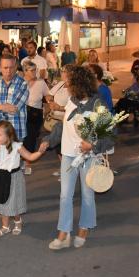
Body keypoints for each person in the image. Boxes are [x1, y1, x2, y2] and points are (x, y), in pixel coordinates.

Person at [40, 66, 114, 250]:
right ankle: (63, 233)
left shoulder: (98, 104)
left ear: (80, 84)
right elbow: (63, 125)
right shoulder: (72, 101)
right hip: (68, 155)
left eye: (70, 82)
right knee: (65, 195)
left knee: (88, 195)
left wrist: (92, 145)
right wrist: (49, 140)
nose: (67, 85)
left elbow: (110, 134)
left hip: (88, 156)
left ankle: (84, 228)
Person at [0, 121, 46, 237]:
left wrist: (39, 152)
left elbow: (29, 156)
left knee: (13, 203)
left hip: (13, 177)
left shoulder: (16, 146)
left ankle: (18, 222)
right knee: (2, 201)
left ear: (9, 135)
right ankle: (5, 226)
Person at [0, 54, 29, 142]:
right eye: (5, 67)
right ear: (0, 68)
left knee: (15, 156)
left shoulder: (23, 84)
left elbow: (13, 109)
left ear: (16, 67)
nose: (8, 71)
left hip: (16, 132)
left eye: (11, 67)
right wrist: (2, 107)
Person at [22, 61, 50, 175]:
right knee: (25, 138)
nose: (35, 72)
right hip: (23, 112)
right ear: (25, 71)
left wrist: (50, 102)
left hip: (36, 114)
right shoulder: (20, 82)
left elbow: (47, 95)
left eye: (35, 70)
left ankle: (27, 161)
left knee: (31, 138)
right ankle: (25, 161)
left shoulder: (41, 82)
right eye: (32, 70)